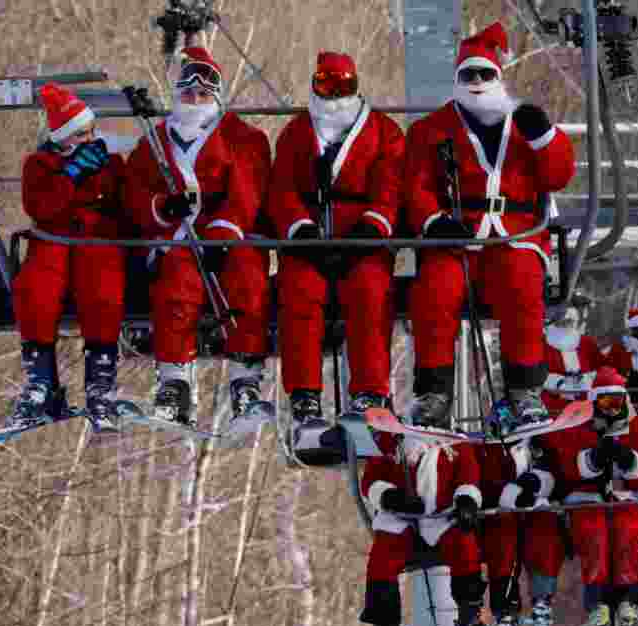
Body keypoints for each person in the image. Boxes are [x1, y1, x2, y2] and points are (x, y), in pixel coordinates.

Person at [404, 22, 575, 429]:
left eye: (485, 74)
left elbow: (558, 175)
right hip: (456, 236)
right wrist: (434, 222)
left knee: (522, 287)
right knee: (436, 291)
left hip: (514, 236)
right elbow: (414, 186)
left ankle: (524, 390)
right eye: (469, 75)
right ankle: (435, 393)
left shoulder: (524, 125)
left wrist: (544, 139)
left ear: (498, 78)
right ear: (457, 80)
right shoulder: (430, 130)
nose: (477, 82)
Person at [124, 47, 271, 427]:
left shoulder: (242, 137)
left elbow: (247, 189)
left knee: (247, 280)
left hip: (230, 236)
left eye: (204, 94)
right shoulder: (154, 142)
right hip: (178, 237)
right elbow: (135, 192)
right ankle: (175, 380)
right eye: (188, 93)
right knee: (176, 283)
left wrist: (224, 232)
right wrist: (160, 207)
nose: (195, 100)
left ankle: (245, 379)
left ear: (216, 98)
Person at [268, 51, 404, 448]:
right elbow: (282, 188)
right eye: (327, 87)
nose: (335, 96)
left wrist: (372, 227)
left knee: (369, 292)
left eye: (343, 87)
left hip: (362, 242)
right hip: (310, 242)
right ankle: (305, 397)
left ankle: (369, 393)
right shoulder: (296, 134)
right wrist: (300, 230)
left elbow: (391, 185)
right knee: (299, 293)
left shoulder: (384, 132)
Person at [10, 84, 128, 430]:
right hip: (54, 238)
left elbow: (123, 203)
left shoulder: (110, 163)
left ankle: (100, 384)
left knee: (102, 291)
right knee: (36, 290)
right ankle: (41, 382)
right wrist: (70, 177)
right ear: (61, 137)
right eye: (79, 134)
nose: (89, 140)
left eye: (91, 132)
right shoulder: (39, 165)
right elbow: (40, 207)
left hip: (96, 240)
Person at [540, 367, 638, 626]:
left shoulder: (635, 425)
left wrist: (628, 460)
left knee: (628, 530)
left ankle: (629, 598)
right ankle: (597, 602)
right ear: (594, 402)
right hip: (586, 497)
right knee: (593, 532)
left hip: (623, 495)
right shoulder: (579, 423)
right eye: (606, 403)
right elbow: (568, 465)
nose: (612, 410)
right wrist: (594, 458)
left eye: (617, 402)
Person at [358, 433, 492, 626]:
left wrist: (467, 500)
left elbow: (468, 477)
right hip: (402, 518)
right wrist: (390, 496)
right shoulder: (392, 439)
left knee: (465, 546)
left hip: (442, 517)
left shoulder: (456, 442)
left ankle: (470, 620)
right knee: (382, 558)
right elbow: (371, 480)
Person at [477, 438, 554, 626]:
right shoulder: (489, 448)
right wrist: (512, 495)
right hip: (502, 511)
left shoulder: (536, 440)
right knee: (503, 540)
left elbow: (553, 470)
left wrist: (536, 483)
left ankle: (542, 601)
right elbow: (484, 482)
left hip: (534, 506)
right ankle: (505, 608)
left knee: (543, 533)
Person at [542, 304, 605, 412]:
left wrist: (590, 379)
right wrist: (559, 383)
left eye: (570, 321)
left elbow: (601, 368)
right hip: (553, 405)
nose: (567, 325)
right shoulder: (543, 343)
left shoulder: (586, 342)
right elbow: (538, 375)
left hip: (585, 404)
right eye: (563, 321)